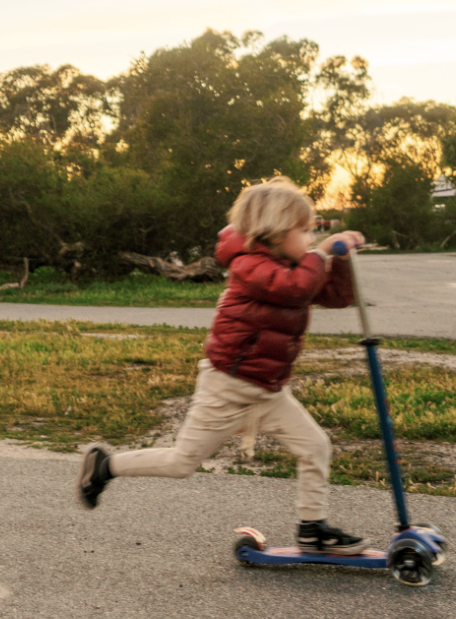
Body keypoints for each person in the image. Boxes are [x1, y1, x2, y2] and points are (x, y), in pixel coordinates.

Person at [75, 178, 367, 554]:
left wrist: (339, 261)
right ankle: (104, 466)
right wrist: (323, 255)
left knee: (315, 446)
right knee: (182, 463)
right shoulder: (250, 266)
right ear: (275, 233)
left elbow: (337, 297)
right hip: (227, 387)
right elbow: (294, 288)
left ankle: (312, 529)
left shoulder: (295, 263)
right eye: (304, 230)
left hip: (269, 389)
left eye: (313, 231)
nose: (311, 239)